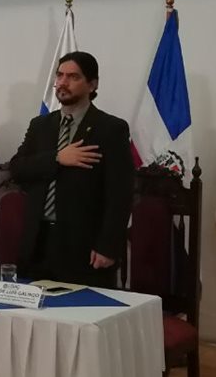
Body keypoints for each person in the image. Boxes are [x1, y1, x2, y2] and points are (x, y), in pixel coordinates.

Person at [8, 51, 134, 288]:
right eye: (60, 75)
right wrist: (57, 158)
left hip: (84, 247)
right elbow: (17, 169)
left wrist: (108, 246)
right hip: (38, 242)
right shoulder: (41, 125)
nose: (63, 83)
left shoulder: (110, 128)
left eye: (73, 77)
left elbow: (120, 193)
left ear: (92, 84)